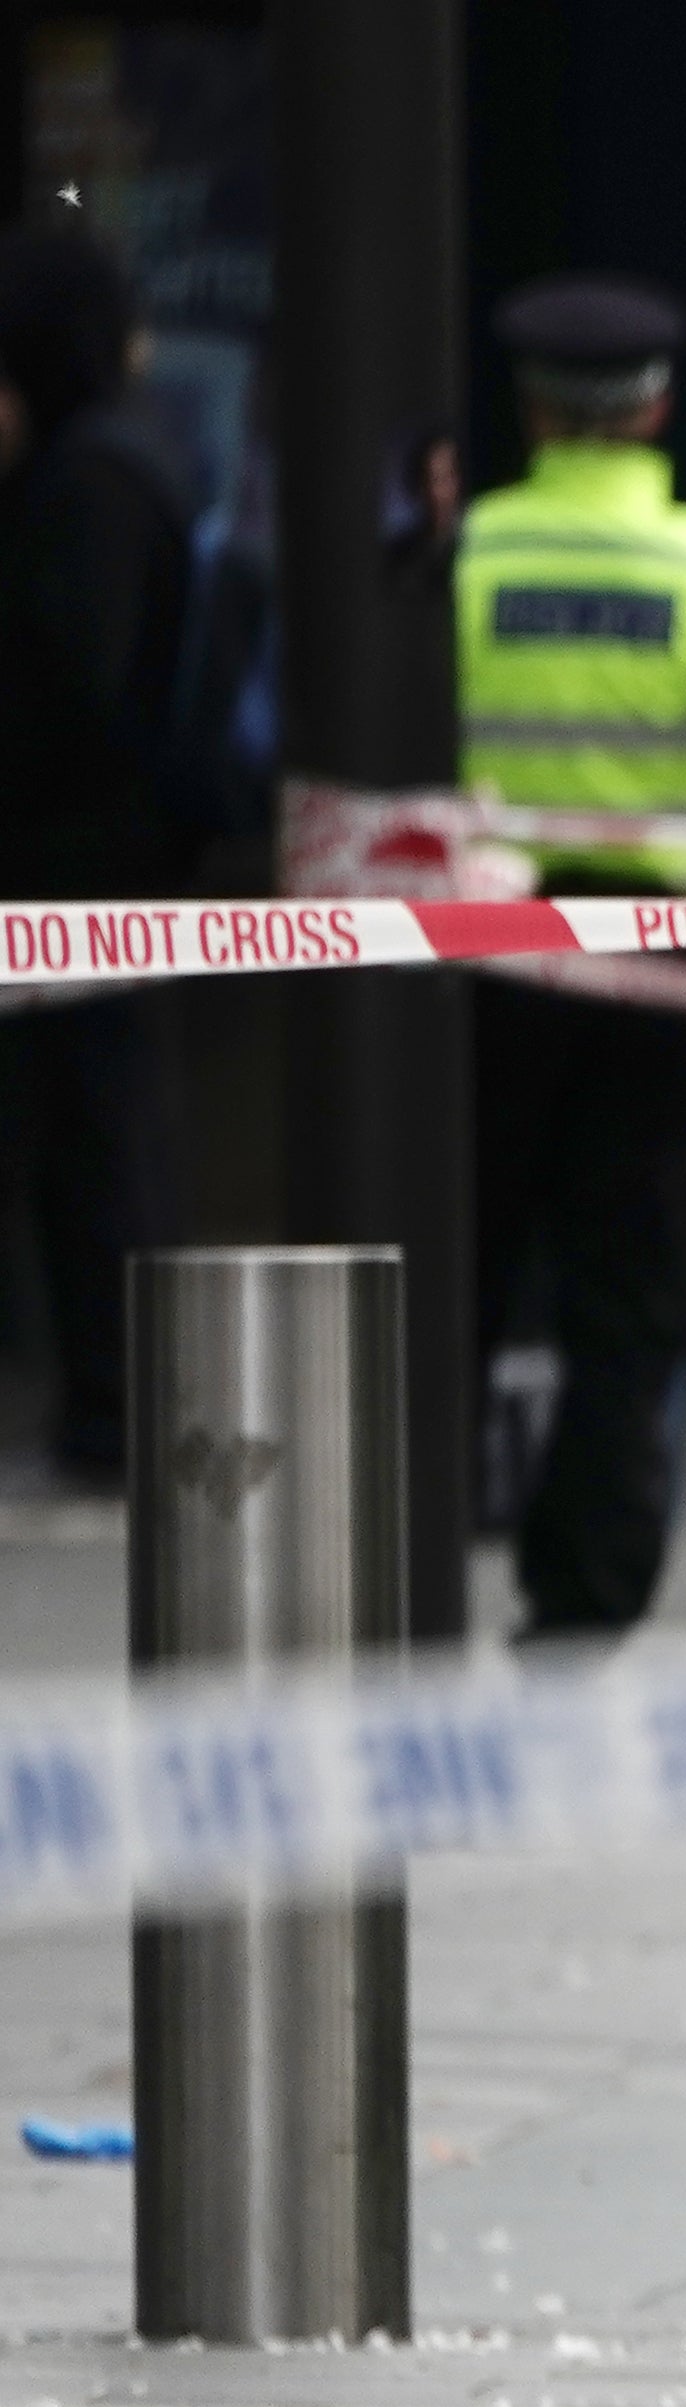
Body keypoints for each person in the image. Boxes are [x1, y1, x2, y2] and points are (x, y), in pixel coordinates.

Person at [457, 273, 686, 1641]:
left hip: (483, 953)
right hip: (670, 973)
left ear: (532, 408)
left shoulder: (458, 561)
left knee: (456, 1267)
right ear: (660, 409)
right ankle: (586, 1604)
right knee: (633, 1294)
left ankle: (404, 1565)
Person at [0, 219, 193, 1490]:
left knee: (90, 1139)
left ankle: (115, 1410)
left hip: (81, 869)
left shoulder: (92, 483)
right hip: (90, 861)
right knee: (82, 1134)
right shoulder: (100, 468)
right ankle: (103, 1401)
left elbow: (69, 685)